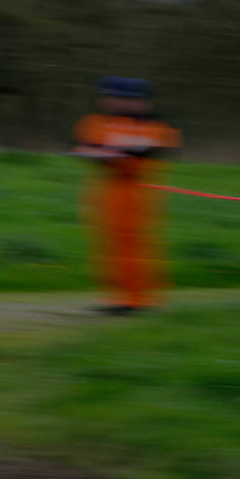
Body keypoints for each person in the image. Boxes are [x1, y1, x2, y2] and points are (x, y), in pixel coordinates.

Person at [72, 76, 181, 313]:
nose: (109, 102)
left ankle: (141, 299)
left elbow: (154, 149)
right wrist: (100, 154)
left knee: (137, 244)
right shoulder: (97, 121)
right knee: (109, 244)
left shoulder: (154, 125)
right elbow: (81, 145)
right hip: (107, 188)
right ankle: (118, 297)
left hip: (139, 189)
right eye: (107, 97)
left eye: (116, 98)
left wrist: (115, 153)